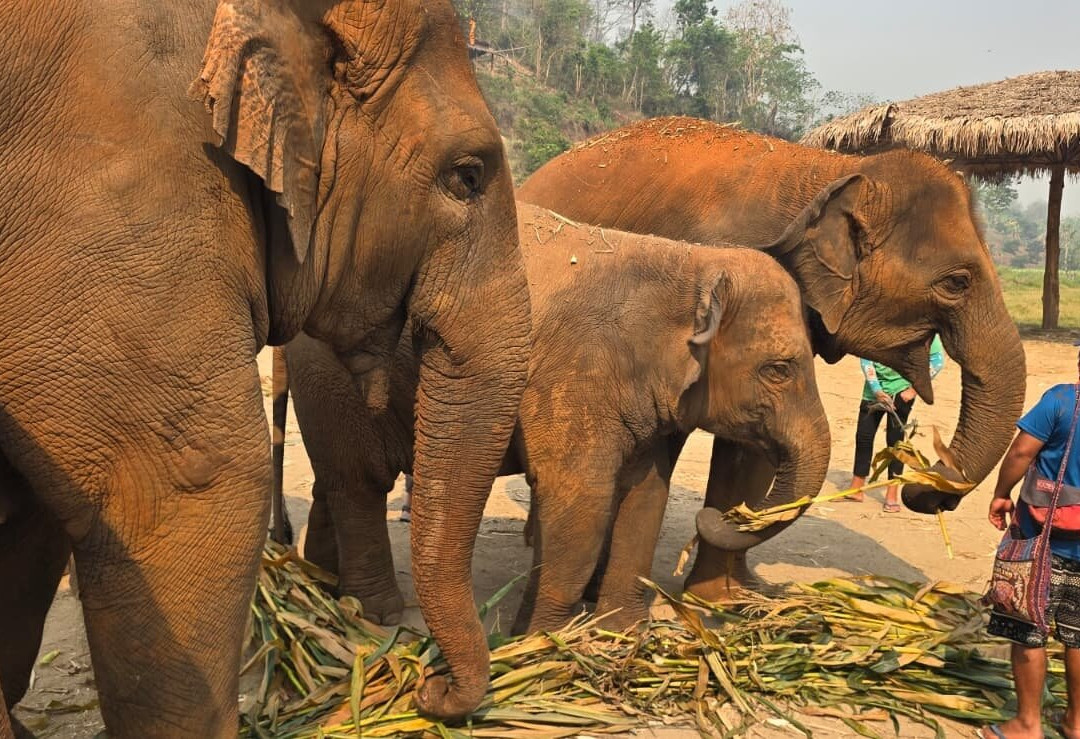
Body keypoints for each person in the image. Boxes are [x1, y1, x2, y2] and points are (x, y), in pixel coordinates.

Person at [983, 341, 1080, 739]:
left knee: (1027, 627)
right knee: (1078, 634)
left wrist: (1001, 492)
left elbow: (1022, 451)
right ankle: (1076, 722)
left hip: (1041, 540)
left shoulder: (1061, 401)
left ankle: (1026, 723)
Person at [847, 335, 945, 511]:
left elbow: (937, 361)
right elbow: (866, 358)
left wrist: (914, 389)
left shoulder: (923, 329)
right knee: (864, 437)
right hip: (873, 391)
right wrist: (876, 390)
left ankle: (891, 493)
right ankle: (857, 487)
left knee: (896, 444)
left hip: (902, 393)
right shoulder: (875, 324)